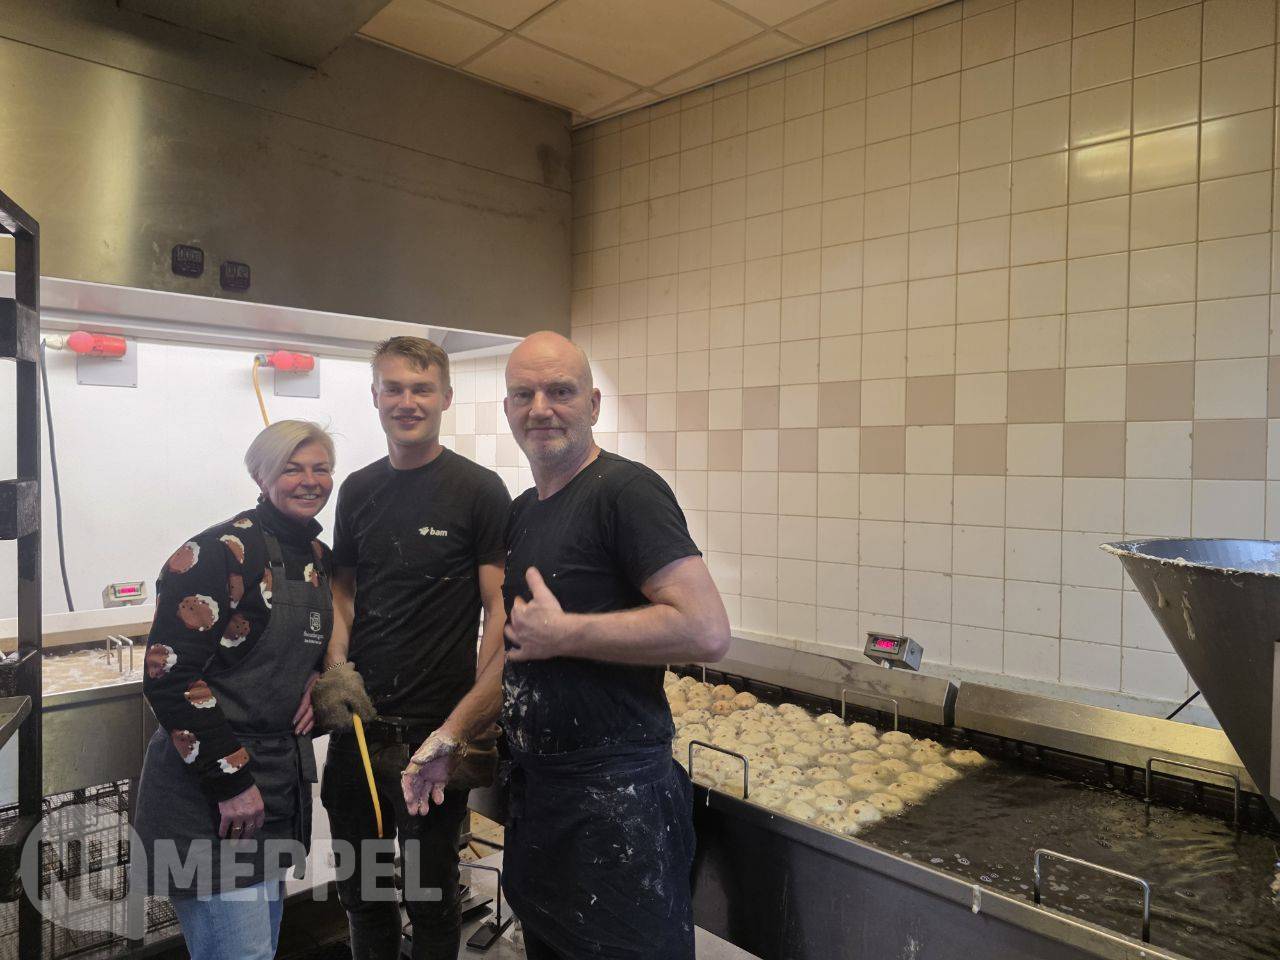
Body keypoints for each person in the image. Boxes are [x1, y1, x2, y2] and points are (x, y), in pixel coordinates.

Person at [497, 331, 731, 960]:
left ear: (594, 405)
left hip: (617, 808)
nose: (540, 407)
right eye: (524, 394)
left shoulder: (626, 491)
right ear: (507, 409)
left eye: (560, 392)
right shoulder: (524, 510)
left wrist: (568, 632)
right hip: (542, 798)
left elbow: (706, 629)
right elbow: (514, 649)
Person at [314, 336, 511, 960]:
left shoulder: (479, 490)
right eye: (393, 388)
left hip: (434, 732)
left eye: (421, 389)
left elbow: (498, 609)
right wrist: (336, 670)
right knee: (365, 894)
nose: (407, 401)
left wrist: (473, 720)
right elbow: (343, 590)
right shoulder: (358, 490)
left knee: (431, 897)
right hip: (360, 732)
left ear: (445, 398)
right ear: (375, 398)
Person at [133, 420, 336, 960]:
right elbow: (168, 676)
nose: (310, 480)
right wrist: (231, 782)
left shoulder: (317, 558)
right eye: (293, 468)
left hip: (274, 784)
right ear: (262, 475)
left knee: (260, 948)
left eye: (321, 468)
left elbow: (304, 647)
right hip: (210, 793)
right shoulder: (218, 552)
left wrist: (317, 675)